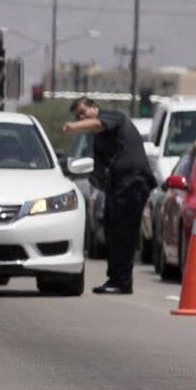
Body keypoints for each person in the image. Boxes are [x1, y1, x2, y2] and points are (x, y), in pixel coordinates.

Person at [63, 96, 156, 294]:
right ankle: (116, 278)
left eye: (83, 112)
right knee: (112, 230)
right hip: (118, 186)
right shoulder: (99, 139)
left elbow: (97, 123)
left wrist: (74, 127)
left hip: (133, 182)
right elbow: (99, 168)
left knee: (124, 232)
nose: (81, 117)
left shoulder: (113, 117)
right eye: (78, 116)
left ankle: (122, 281)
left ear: (94, 108)